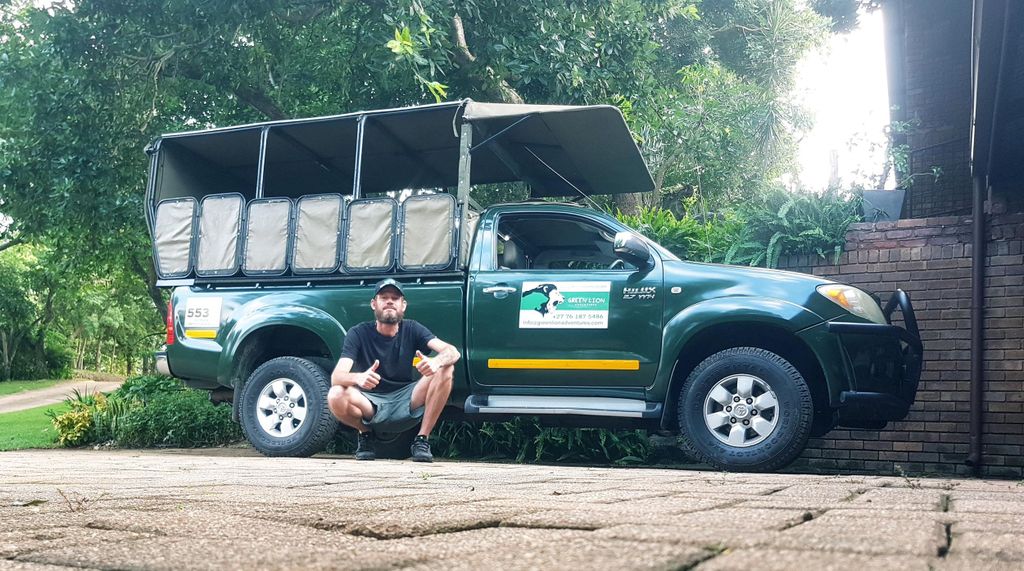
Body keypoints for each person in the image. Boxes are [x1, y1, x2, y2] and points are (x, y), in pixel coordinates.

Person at [327, 279, 460, 462]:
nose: (390, 301)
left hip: (407, 398)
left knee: (446, 369)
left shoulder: (413, 328)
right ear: (374, 304)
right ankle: (365, 434)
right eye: (384, 297)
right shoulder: (357, 333)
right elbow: (336, 377)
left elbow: (452, 351)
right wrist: (359, 378)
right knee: (335, 394)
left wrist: (436, 362)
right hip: (369, 402)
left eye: (395, 298)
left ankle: (422, 439)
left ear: (403, 305)